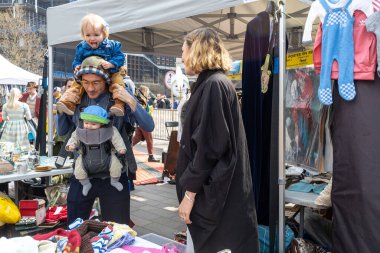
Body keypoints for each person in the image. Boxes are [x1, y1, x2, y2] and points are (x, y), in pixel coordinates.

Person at [176, 28, 259, 252]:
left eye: (183, 50)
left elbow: (210, 147)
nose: (182, 57)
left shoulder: (213, 85)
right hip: (216, 193)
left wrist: (189, 195)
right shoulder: (212, 83)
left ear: (196, 50)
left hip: (214, 197)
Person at [57, 56, 154, 224]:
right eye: (86, 82)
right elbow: (63, 131)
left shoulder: (117, 99)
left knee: (116, 231)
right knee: (75, 228)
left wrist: (130, 99)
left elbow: (148, 125)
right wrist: (61, 109)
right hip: (83, 176)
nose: (90, 88)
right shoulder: (76, 98)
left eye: (96, 82)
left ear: (106, 80)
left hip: (114, 176)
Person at [57, 13, 126, 117]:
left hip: (111, 71)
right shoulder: (82, 47)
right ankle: (69, 103)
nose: (92, 38)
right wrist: (77, 66)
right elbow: (77, 60)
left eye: (96, 35)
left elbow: (120, 57)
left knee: (118, 83)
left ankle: (119, 104)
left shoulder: (112, 45)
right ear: (83, 35)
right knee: (76, 85)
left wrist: (111, 63)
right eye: (88, 35)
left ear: (104, 34)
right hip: (88, 72)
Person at [66, 105, 127, 196]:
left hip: (107, 157)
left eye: (93, 124)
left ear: (102, 123)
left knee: (116, 166)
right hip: (85, 158)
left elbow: (117, 139)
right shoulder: (80, 130)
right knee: (78, 171)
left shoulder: (109, 130)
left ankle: (114, 181)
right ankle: (86, 184)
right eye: (86, 123)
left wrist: (121, 148)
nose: (89, 126)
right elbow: (74, 138)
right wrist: (71, 145)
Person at [132, 86, 160, 163]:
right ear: (144, 91)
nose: (148, 93)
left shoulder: (138, 98)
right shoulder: (142, 99)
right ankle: (151, 156)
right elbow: (142, 111)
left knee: (136, 139)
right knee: (149, 139)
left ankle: (127, 149)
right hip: (143, 122)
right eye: (147, 91)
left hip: (139, 122)